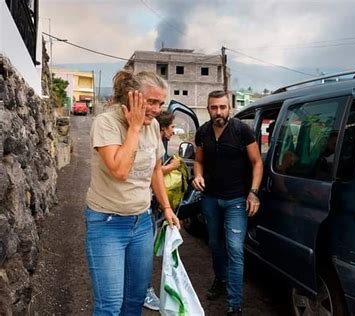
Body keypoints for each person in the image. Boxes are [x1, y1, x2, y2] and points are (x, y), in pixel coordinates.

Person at [85, 69, 180, 315]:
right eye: (151, 102)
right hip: (107, 223)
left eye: (160, 103)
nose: (157, 109)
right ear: (131, 97)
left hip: (142, 223)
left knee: (135, 300)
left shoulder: (154, 125)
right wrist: (135, 128)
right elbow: (119, 170)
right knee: (110, 305)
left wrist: (167, 207)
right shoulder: (106, 123)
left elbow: (156, 170)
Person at [192, 90, 263, 316]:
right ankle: (220, 279)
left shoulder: (241, 131)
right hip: (210, 199)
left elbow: (257, 162)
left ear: (229, 108)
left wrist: (253, 193)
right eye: (214, 107)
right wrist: (197, 176)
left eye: (222, 107)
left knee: (234, 248)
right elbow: (198, 161)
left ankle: (234, 304)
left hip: (236, 200)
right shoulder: (203, 132)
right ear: (208, 108)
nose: (218, 112)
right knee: (214, 244)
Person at [143, 110, 181, 311]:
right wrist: (173, 166)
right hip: (145, 204)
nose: (173, 131)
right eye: (172, 127)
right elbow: (152, 172)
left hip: (152, 203)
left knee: (145, 251)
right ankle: (145, 291)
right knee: (145, 252)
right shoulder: (151, 141)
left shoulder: (159, 142)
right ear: (163, 127)